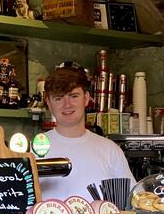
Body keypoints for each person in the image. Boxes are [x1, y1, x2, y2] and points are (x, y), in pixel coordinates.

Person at [38, 66, 136, 201]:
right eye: (58, 98)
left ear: (86, 98)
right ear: (48, 102)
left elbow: (131, 200)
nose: (67, 104)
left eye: (74, 96)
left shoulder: (110, 149)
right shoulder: (33, 151)